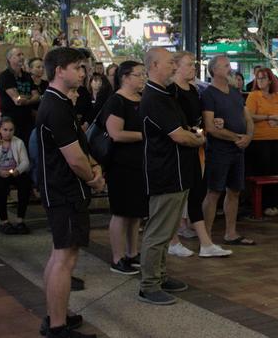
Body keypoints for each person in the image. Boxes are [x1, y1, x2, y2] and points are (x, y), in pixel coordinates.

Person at [37, 47, 104, 338]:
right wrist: (93, 179)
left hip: (62, 189)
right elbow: (74, 158)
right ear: (59, 70)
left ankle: (56, 314)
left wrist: (93, 167)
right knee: (64, 259)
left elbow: (80, 151)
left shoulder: (58, 103)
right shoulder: (56, 106)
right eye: (78, 67)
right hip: (64, 191)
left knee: (60, 256)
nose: (83, 72)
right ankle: (57, 327)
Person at [138, 47, 204, 305]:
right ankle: (149, 285)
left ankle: (161, 275)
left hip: (177, 172)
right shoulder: (154, 97)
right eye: (170, 63)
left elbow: (182, 128)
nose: (174, 67)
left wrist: (191, 135)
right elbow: (177, 134)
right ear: (154, 65)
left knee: (166, 231)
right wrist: (196, 139)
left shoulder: (164, 94)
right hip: (165, 173)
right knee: (157, 232)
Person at [169, 51, 232, 257]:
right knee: (176, 197)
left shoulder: (195, 91)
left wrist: (213, 124)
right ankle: (173, 239)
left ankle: (205, 243)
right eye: (188, 64)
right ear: (175, 67)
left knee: (196, 194)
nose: (192, 68)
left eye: (193, 64)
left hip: (196, 148)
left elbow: (199, 119)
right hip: (177, 150)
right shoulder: (170, 91)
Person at [201, 55, 256, 247]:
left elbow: (247, 117)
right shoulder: (209, 94)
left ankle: (230, 233)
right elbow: (210, 126)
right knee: (214, 191)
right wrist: (236, 138)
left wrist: (248, 136)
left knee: (234, 191)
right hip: (219, 150)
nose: (229, 68)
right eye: (225, 65)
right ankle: (205, 236)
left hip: (238, 150)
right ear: (214, 70)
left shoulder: (234, 92)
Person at [103, 61, 147, 275]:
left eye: (143, 74)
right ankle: (118, 257)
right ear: (125, 77)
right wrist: (144, 136)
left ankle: (132, 252)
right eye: (138, 75)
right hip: (121, 164)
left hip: (139, 163)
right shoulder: (117, 101)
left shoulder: (141, 99)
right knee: (121, 212)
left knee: (135, 212)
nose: (142, 78)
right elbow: (116, 133)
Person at [245, 67, 278, 216]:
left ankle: (272, 204)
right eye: (258, 78)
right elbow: (250, 116)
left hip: (277, 138)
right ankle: (261, 205)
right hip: (259, 139)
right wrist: (269, 117)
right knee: (262, 172)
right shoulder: (253, 96)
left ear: (270, 80)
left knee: (274, 172)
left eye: (263, 78)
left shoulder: (277, 96)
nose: (260, 81)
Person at [0, 117, 31, 235]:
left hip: (14, 171)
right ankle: (4, 221)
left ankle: (20, 220)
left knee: (25, 183)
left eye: (11, 130)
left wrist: (17, 170)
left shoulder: (18, 142)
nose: (8, 133)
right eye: (5, 130)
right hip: (0, 173)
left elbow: (25, 162)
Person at [0, 48, 40, 147]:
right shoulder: (5, 76)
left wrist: (26, 100)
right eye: (18, 55)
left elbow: (37, 96)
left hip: (27, 119)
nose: (22, 57)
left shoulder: (27, 76)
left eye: (22, 54)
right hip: (11, 120)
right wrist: (30, 97)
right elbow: (17, 99)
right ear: (10, 58)